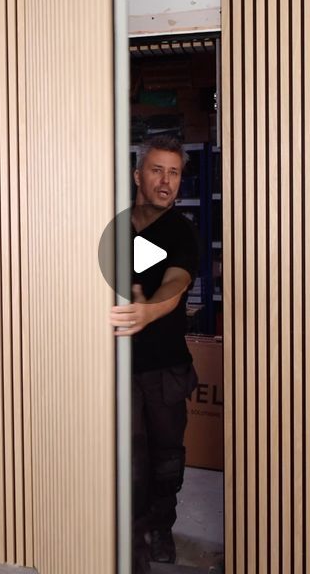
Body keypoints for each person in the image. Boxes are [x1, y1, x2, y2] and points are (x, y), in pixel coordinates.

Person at [110, 135, 199, 573]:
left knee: (166, 459)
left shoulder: (180, 229)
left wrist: (151, 309)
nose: (166, 181)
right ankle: (135, 539)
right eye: (157, 170)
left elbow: (177, 281)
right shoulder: (114, 226)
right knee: (132, 461)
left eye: (175, 173)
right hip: (119, 367)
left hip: (165, 366)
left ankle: (161, 527)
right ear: (137, 175)